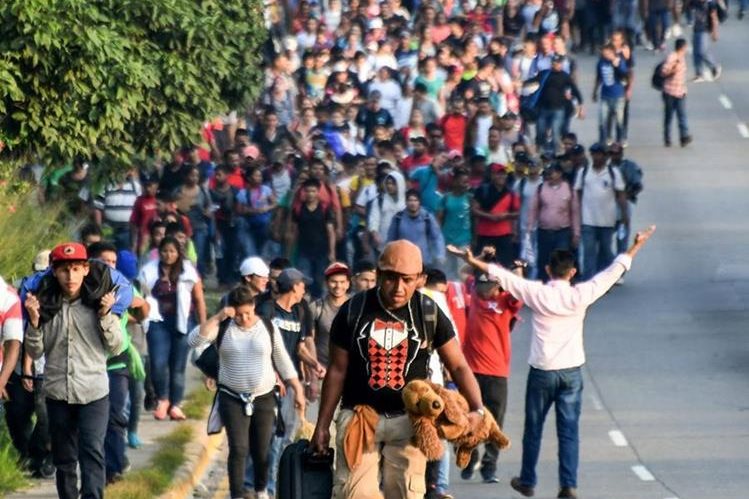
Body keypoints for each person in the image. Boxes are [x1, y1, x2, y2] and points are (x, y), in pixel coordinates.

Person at [447, 225, 656, 499]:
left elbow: (503, 277)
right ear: (572, 273)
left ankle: (528, 480)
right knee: (568, 432)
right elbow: (613, 271)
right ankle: (567, 485)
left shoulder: (538, 293)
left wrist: (471, 260)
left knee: (533, 429)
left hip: (542, 372)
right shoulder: (581, 294)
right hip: (571, 374)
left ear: (547, 270)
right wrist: (635, 245)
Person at [310, 240, 486, 499]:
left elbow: (458, 364)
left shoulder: (428, 312)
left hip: (409, 421)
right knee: (354, 494)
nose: (398, 287)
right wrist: (322, 426)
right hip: (361, 418)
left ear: (420, 279)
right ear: (379, 275)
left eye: (407, 279)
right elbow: (337, 371)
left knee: (407, 493)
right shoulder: (353, 311)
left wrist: (477, 409)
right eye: (391, 278)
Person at [24, 243, 124, 499]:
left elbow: (116, 347)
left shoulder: (97, 303)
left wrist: (104, 314)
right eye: (64, 270)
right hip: (58, 394)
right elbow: (36, 352)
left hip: (94, 393)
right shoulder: (47, 306)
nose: (70, 277)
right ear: (54, 272)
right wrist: (34, 323)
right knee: (65, 459)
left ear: (85, 270)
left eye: (76, 269)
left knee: (92, 452)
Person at [188, 286, 304, 499]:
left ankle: (261, 490)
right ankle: (237, 494)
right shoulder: (224, 327)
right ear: (232, 311)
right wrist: (219, 316)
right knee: (239, 448)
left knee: (261, 450)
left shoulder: (267, 327)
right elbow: (194, 341)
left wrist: (297, 388)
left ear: (254, 308)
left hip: (263, 397)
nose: (243, 319)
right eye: (239, 315)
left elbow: (282, 360)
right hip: (231, 397)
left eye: (248, 314)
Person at [247, 268, 326, 496]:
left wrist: (313, 364)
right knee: (269, 435)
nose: (304, 289)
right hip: (268, 383)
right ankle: (265, 485)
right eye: (302, 285)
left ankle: (268, 482)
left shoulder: (298, 312)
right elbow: (261, 347)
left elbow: (299, 347)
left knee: (285, 436)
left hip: (291, 382)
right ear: (293, 286)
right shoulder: (267, 310)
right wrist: (275, 376)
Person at [461, 250, 524, 484]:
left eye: (488, 285)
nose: (483, 289)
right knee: (469, 418)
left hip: (497, 373)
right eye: (481, 284)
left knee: (495, 421)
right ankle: (469, 457)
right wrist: (481, 256)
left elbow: (520, 288)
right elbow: (466, 270)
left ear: (498, 286)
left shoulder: (507, 302)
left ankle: (490, 465)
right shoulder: (474, 296)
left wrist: (517, 267)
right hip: (471, 372)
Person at [138, 236, 207, 421]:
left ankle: (176, 404)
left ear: (178, 253)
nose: (168, 255)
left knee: (178, 366)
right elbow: (141, 296)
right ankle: (163, 399)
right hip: (157, 321)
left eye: (172, 251)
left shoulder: (188, 272)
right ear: (159, 253)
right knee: (158, 363)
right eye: (164, 251)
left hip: (182, 323)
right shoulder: (149, 271)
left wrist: (203, 326)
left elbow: (199, 300)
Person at [574, 143, 628, 281]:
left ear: (605, 156)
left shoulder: (613, 172)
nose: (596, 157)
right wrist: (576, 214)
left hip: (607, 221)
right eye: (594, 154)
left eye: (600, 154)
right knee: (588, 253)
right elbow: (578, 194)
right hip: (588, 220)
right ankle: (588, 281)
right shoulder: (584, 172)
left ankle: (605, 280)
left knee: (605, 251)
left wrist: (624, 215)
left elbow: (621, 194)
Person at [308, 262, 352, 407]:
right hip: (323, 374)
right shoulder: (316, 308)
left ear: (348, 284)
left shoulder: (356, 306)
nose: (338, 286)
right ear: (326, 283)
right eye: (333, 282)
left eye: (342, 282)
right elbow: (309, 342)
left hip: (351, 375)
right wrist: (313, 377)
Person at [528, 163, 581, 282]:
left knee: (561, 261)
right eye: (548, 172)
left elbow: (575, 213)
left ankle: (562, 285)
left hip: (562, 232)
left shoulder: (569, 190)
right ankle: (542, 285)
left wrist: (576, 233)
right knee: (543, 260)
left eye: (553, 172)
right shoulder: (541, 188)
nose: (550, 175)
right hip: (544, 232)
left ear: (560, 173)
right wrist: (530, 227)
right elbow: (533, 209)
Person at [472, 163, 520, 268]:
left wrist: (506, 215)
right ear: (492, 175)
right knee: (482, 265)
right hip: (485, 235)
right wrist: (489, 216)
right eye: (498, 174)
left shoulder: (511, 193)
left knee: (505, 266)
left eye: (503, 174)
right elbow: (474, 210)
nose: (501, 177)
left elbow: (517, 213)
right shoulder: (482, 190)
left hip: (504, 236)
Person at [387, 190, 446, 267]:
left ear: (419, 202)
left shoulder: (427, 217)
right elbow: (391, 239)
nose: (412, 203)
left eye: (415, 200)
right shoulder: (398, 218)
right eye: (410, 200)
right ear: (406, 202)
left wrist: (440, 255)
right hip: (403, 261)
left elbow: (437, 237)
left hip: (424, 261)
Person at [592, 43, 628, 145]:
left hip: (618, 95)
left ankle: (620, 139)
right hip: (605, 95)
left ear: (613, 53)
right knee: (602, 119)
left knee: (619, 120)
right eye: (604, 54)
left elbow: (624, 74)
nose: (606, 56)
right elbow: (598, 78)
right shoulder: (600, 63)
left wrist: (616, 65)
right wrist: (594, 91)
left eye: (608, 53)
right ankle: (603, 140)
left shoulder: (620, 61)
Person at [661, 38, 692, 148]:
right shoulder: (672, 57)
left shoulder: (682, 58)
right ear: (682, 47)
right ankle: (667, 138)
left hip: (680, 92)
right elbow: (663, 72)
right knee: (669, 116)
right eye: (685, 47)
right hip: (670, 92)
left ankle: (684, 137)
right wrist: (672, 70)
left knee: (682, 115)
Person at [690, 0, 721, 83]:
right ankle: (699, 74)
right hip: (696, 29)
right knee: (696, 53)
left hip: (704, 30)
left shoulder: (711, 4)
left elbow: (714, 18)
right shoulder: (694, 2)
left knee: (702, 51)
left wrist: (715, 32)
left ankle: (714, 66)